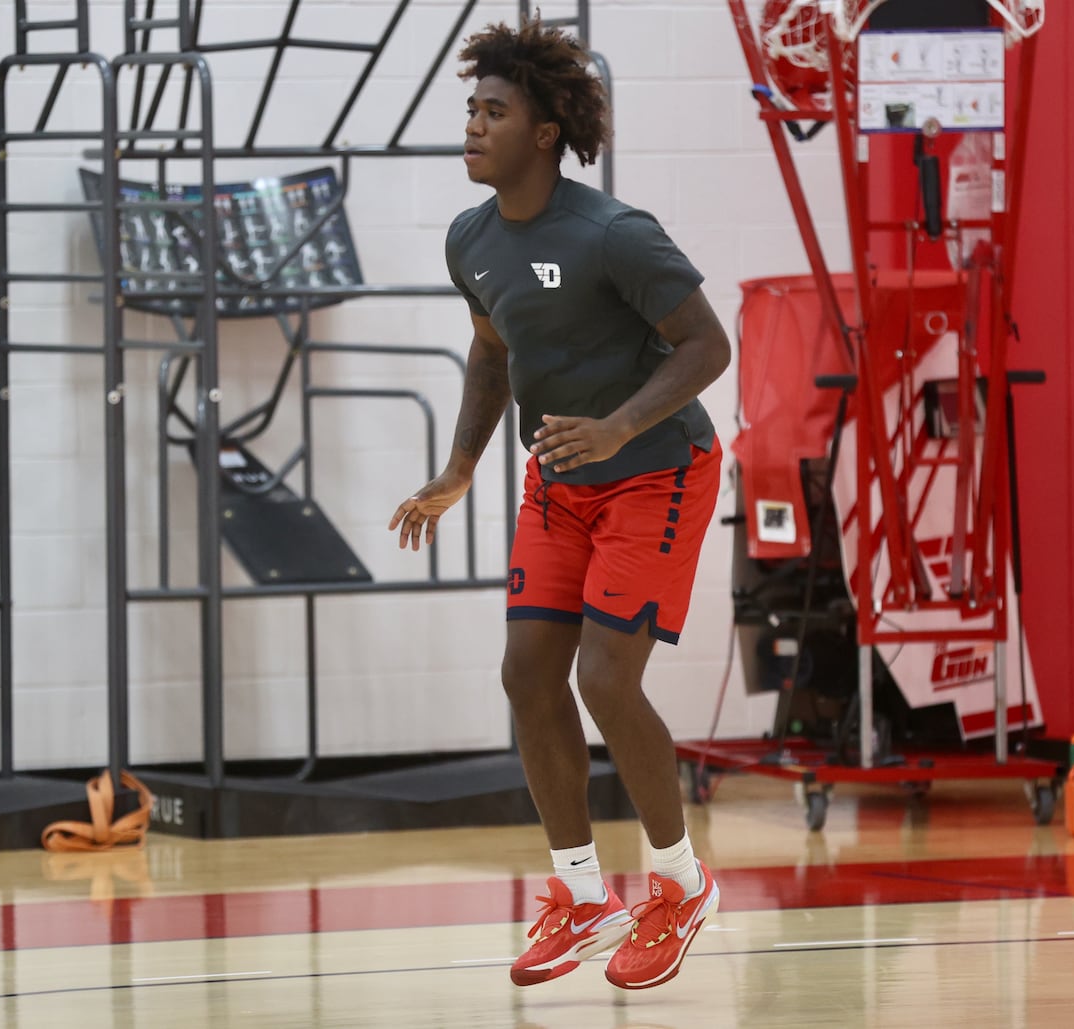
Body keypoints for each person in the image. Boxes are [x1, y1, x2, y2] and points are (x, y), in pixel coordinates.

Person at [387, 16, 732, 991]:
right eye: (471, 110)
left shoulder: (612, 234)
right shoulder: (472, 238)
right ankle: (582, 897)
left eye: (494, 112)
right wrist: (457, 470)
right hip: (559, 477)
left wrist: (619, 426)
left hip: (656, 470)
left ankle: (678, 886)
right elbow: (494, 353)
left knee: (606, 681)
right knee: (526, 675)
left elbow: (709, 348)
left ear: (544, 132)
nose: (473, 127)